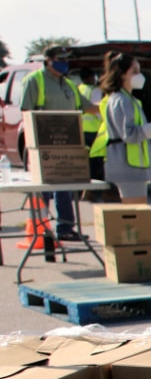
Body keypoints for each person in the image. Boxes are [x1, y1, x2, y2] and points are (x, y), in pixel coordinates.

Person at [19, 45, 92, 239]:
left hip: (67, 145)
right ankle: (40, 230)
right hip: (42, 145)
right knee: (42, 192)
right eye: (60, 59)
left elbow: (89, 108)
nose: (64, 63)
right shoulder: (35, 81)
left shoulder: (69, 85)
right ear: (48, 60)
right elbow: (26, 112)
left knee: (65, 189)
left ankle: (65, 229)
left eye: (66, 59)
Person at [91, 51, 151, 205]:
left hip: (133, 167)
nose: (140, 76)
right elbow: (130, 135)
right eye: (135, 72)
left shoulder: (131, 101)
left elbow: (141, 138)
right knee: (135, 217)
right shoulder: (121, 100)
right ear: (122, 74)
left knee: (136, 215)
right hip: (127, 168)